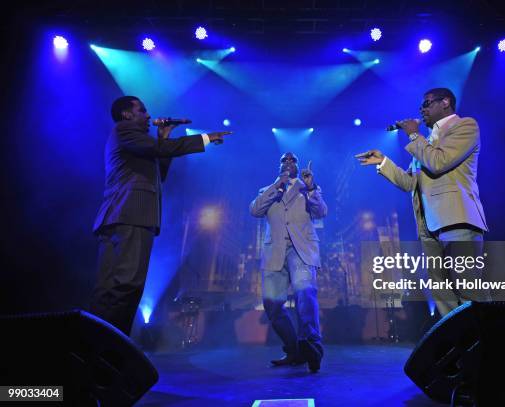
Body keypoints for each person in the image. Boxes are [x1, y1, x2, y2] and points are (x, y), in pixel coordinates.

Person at [90, 95, 230, 335]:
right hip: (128, 215)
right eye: (142, 111)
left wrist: (163, 137)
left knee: (117, 287)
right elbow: (157, 149)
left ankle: (107, 347)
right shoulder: (124, 130)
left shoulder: (138, 142)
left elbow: (159, 172)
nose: (148, 116)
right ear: (127, 115)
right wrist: (205, 139)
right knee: (125, 285)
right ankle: (107, 347)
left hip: (124, 217)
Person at [356, 88, 489, 316]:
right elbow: (410, 183)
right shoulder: (427, 141)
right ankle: (459, 341)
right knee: (441, 292)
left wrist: (413, 135)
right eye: (421, 107)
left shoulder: (465, 126)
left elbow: (439, 162)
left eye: (427, 104)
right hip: (429, 226)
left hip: (457, 221)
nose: (422, 110)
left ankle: (487, 343)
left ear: (445, 102)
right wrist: (384, 162)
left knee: (468, 287)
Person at [249, 153, 327, 372]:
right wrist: (277, 185)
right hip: (274, 251)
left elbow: (321, 212)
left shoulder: (307, 188)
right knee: (272, 304)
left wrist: (312, 188)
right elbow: (255, 210)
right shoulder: (268, 190)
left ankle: (312, 348)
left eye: (292, 161)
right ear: (279, 165)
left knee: (305, 293)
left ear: (298, 166)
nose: (288, 163)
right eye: (284, 160)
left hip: (301, 250)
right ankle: (294, 351)